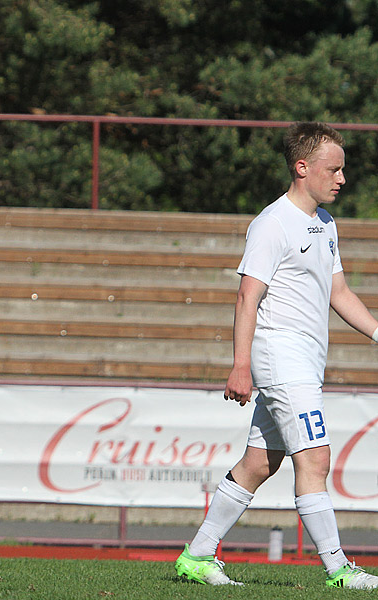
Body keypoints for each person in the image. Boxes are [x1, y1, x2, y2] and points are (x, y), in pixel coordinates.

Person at [174, 122, 378, 589]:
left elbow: (339, 292)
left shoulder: (325, 225)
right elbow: (249, 295)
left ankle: (198, 555)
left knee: (259, 463)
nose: (342, 178)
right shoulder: (272, 223)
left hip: (305, 360)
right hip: (280, 356)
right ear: (302, 167)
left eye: (343, 169)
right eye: (334, 169)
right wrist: (241, 364)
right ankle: (339, 569)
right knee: (316, 458)